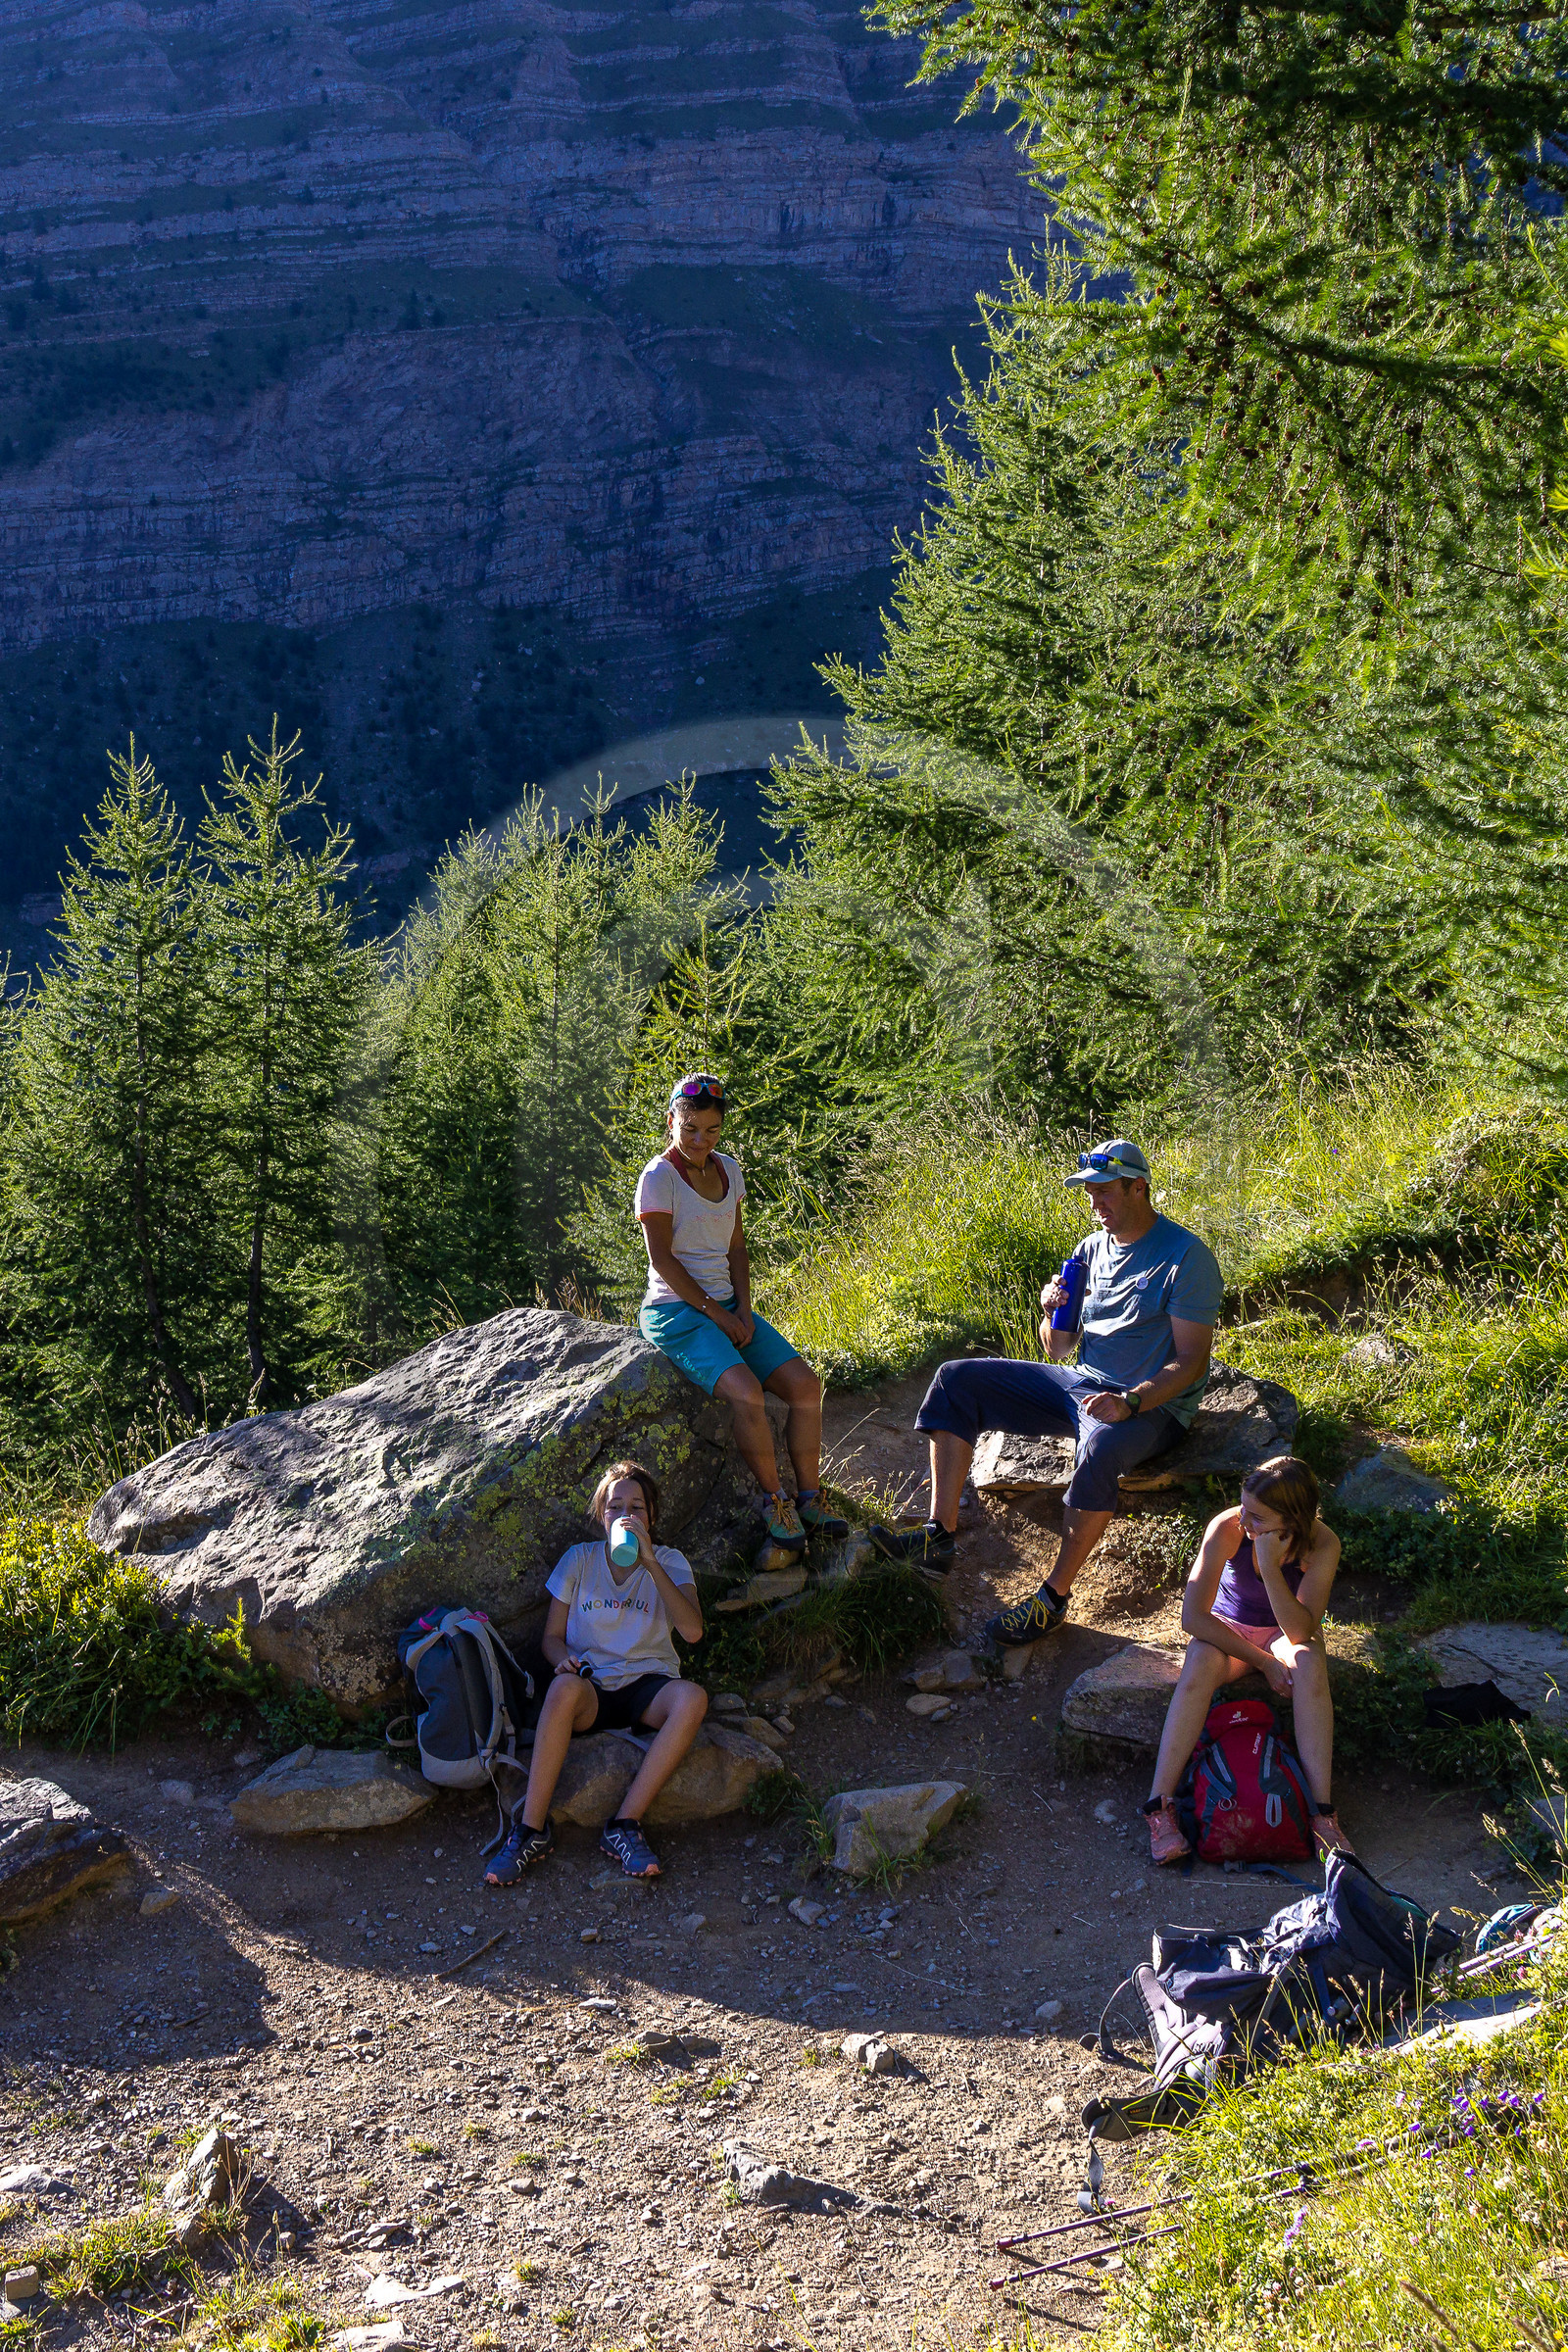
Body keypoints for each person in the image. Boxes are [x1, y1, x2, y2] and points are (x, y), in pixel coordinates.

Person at [873, 1140, 1223, 1635]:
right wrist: (1049, 1311)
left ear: (1138, 1187)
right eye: (1089, 1193)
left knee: (1099, 1448)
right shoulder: (1089, 1250)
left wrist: (1132, 1402)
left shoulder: (1187, 1257)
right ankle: (938, 1535)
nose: (1095, 1203)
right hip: (1080, 1384)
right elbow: (1058, 1348)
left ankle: (1053, 1598)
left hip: (1150, 1406)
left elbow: (1191, 1362)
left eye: (1104, 1191)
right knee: (956, 1379)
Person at [634, 1071, 846, 1550]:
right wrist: (717, 1314)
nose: (699, 1140)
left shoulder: (729, 1170)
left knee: (805, 1385)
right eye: (689, 1129)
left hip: (728, 1304)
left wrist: (744, 1311)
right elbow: (662, 1260)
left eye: (710, 1130)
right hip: (675, 1311)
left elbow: (736, 1248)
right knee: (746, 1392)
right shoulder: (658, 1178)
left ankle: (810, 1498)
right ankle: (777, 1503)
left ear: (721, 1127)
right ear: (672, 1121)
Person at [484, 1460, 710, 1885]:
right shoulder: (579, 1560)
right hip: (592, 1686)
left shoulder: (671, 1561)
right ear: (600, 1515)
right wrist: (562, 1661)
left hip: (647, 1686)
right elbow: (551, 1638)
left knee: (693, 1698)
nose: (626, 1514)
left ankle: (624, 1825)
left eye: (637, 1507)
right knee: (563, 1688)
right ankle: (530, 1830)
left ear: (651, 1516)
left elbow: (693, 1632)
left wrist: (649, 1562)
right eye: (615, 1506)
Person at [1143, 1456, 1352, 1865]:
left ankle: (1321, 1813)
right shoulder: (1227, 1528)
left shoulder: (1323, 1543)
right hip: (1229, 1632)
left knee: (1309, 1662)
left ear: (1292, 1519)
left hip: (1281, 1634)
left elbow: (1299, 1632)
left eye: (1257, 1517)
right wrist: (1265, 1663)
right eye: (1243, 1507)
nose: (1244, 1521)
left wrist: (1272, 1570)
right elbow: (1193, 1618)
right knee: (1199, 1662)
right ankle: (1158, 1807)